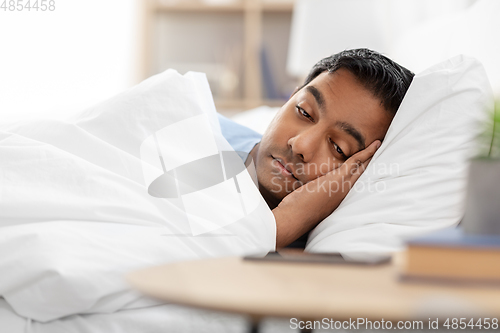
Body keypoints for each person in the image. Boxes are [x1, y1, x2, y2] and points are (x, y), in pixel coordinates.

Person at [219, 48, 414, 249]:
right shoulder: (198, 130)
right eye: (304, 112)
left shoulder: (330, 246)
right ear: (291, 97)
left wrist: (291, 220)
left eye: (339, 148)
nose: (301, 145)